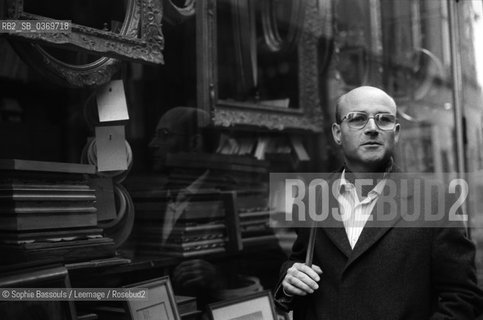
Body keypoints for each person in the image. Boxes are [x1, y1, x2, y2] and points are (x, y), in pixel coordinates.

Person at [274, 86, 483, 319]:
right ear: (337, 133)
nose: (372, 128)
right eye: (357, 119)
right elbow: (299, 262)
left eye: (384, 119)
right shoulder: (312, 197)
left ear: (396, 132)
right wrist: (288, 280)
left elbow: (463, 298)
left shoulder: (437, 201)